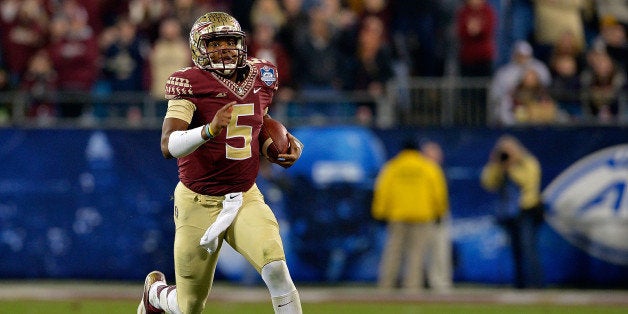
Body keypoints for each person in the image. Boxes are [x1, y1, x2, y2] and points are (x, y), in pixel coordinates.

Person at [137, 12, 304, 314]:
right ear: (198, 48)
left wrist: (286, 145)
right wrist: (209, 129)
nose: (224, 49)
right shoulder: (189, 82)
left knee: (276, 267)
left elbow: (258, 123)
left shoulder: (262, 75)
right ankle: (157, 295)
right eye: (215, 43)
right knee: (189, 306)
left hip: (244, 197)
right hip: (197, 201)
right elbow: (168, 144)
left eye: (230, 42)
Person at [371, 138, 448, 291]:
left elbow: (382, 191)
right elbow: (438, 192)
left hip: (398, 216)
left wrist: (379, 213)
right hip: (422, 215)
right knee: (416, 254)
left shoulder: (392, 167)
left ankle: (386, 284)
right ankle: (412, 286)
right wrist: (439, 212)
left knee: (393, 252)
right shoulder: (427, 167)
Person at [480, 135, 544, 289]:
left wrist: (513, 166)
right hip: (509, 213)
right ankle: (520, 284)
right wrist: (496, 164)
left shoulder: (528, 162)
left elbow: (528, 182)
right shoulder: (499, 165)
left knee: (528, 248)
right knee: (515, 250)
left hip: (527, 210)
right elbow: (487, 182)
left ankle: (535, 284)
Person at [420, 140, 453, 292]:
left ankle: (440, 283)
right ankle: (428, 281)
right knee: (425, 252)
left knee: (440, 251)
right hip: (425, 215)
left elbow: (441, 196)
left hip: (436, 215)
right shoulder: (424, 171)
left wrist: (440, 213)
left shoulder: (436, 171)